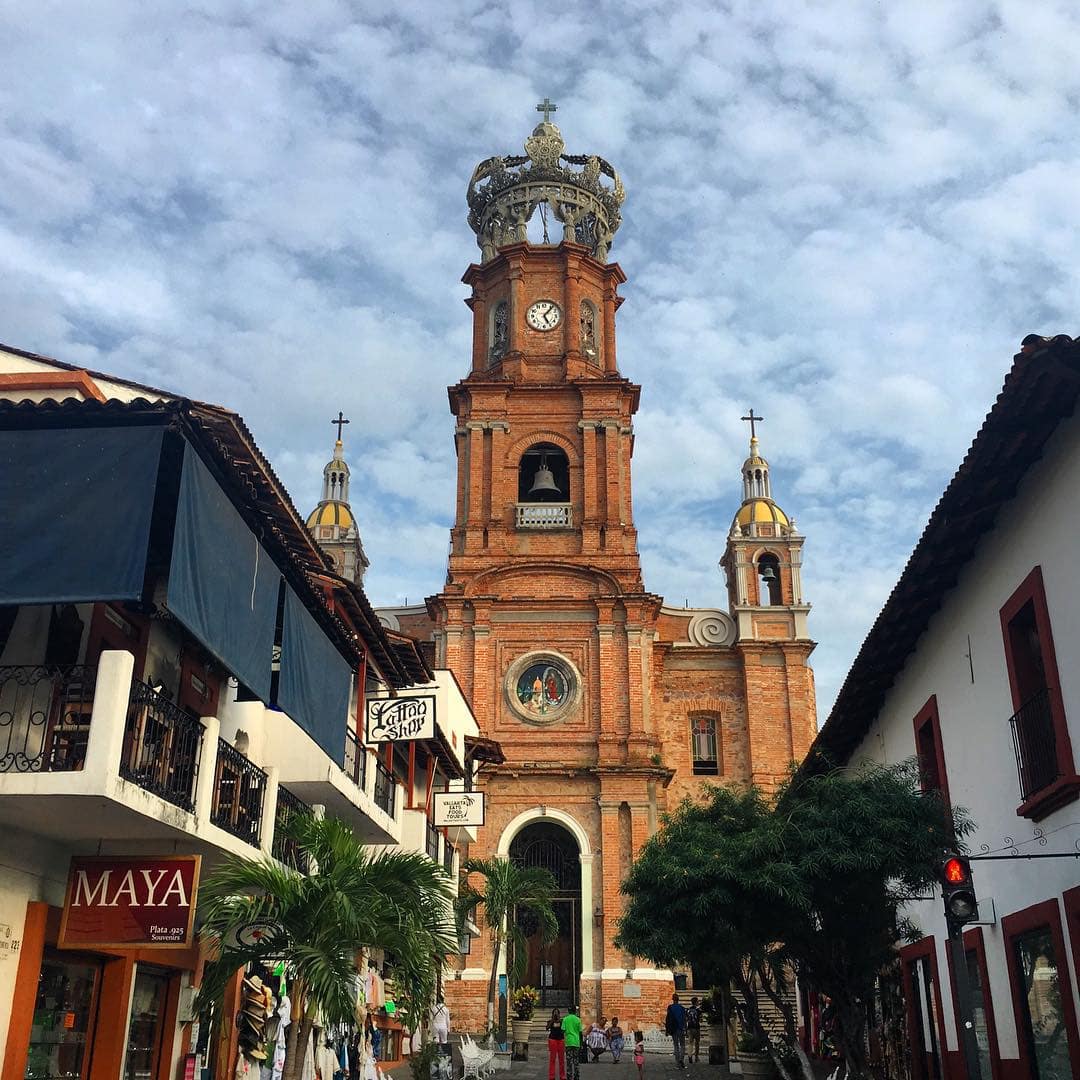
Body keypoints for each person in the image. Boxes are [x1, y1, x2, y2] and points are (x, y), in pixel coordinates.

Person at [665, 992, 687, 1069]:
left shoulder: (670, 1007)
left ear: (672, 999)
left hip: (673, 1029)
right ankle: (681, 1059)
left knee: (676, 1045)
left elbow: (668, 1019)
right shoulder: (682, 1008)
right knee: (682, 1045)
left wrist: (667, 1030)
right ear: (678, 999)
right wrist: (686, 1029)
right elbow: (684, 1019)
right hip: (681, 1028)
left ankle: (677, 1062)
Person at [563, 1004, 583, 1080]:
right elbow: (580, 1032)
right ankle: (576, 1076)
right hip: (576, 1042)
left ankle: (569, 1076)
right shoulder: (578, 1019)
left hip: (568, 1042)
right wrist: (581, 1043)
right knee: (576, 1060)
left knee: (569, 1061)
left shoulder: (565, 1019)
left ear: (568, 1011)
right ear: (575, 1011)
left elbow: (563, 1030)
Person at [547, 1008, 566, 1080]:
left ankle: (562, 1075)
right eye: (554, 1013)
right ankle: (551, 1076)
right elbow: (547, 1028)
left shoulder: (562, 1021)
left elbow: (564, 1029)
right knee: (552, 1059)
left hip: (560, 1040)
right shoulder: (550, 1021)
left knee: (561, 1059)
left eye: (557, 1013)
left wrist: (559, 1020)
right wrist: (552, 1020)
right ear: (552, 1014)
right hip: (552, 1040)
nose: (556, 1014)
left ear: (559, 1014)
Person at [686, 997, 701, 1064]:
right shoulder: (698, 1010)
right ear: (696, 1002)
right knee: (697, 1043)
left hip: (689, 1028)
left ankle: (689, 1055)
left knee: (690, 1043)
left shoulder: (688, 1010)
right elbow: (700, 1019)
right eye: (698, 1001)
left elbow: (686, 1019)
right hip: (696, 1028)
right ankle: (696, 1057)